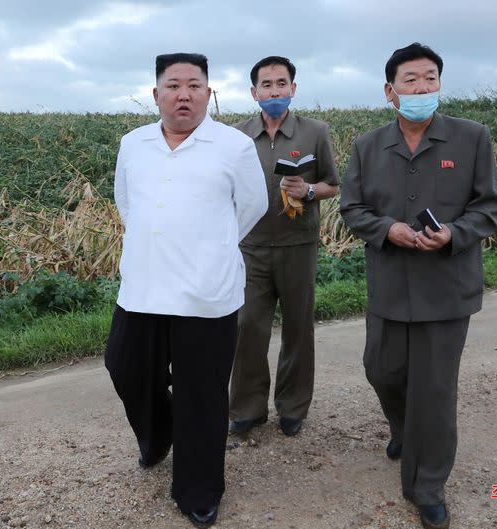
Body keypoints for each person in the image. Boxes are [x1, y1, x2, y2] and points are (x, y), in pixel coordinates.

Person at [339, 43, 497, 529]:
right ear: (391, 91)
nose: (422, 88)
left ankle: (427, 484)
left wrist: (454, 233)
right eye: (410, 80)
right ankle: (405, 431)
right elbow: (352, 208)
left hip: (446, 287)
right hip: (389, 282)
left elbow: (488, 207)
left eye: (430, 78)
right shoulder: (368, 146)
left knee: (433, 390)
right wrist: (386, 229)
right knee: (382, 370)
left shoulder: (472, 138)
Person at [105, 52, 268, 528]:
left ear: (209, 94)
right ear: (157, 95)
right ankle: (157, 437)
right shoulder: (133, 144)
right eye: (173, 85)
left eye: (194, 85)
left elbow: (252, 207)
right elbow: (126, 203)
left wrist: (207, 244)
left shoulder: (232, 146)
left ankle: (198, 488)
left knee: (202, 390)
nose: (183, 94)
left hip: (206, 289)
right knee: (126, 366)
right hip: (143, 284)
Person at [230, 56, 339, 437]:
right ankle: (246, 407)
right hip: (250, 246)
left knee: (298, 326)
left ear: (293, 88)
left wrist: (308, 190)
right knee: (247, 327)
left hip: (298, 244)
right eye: (266, 84)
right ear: (254, 92)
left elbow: (332, 184)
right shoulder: (237, 136)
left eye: (281, 83)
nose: (274, 91)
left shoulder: (315, 132)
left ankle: (292, 407)